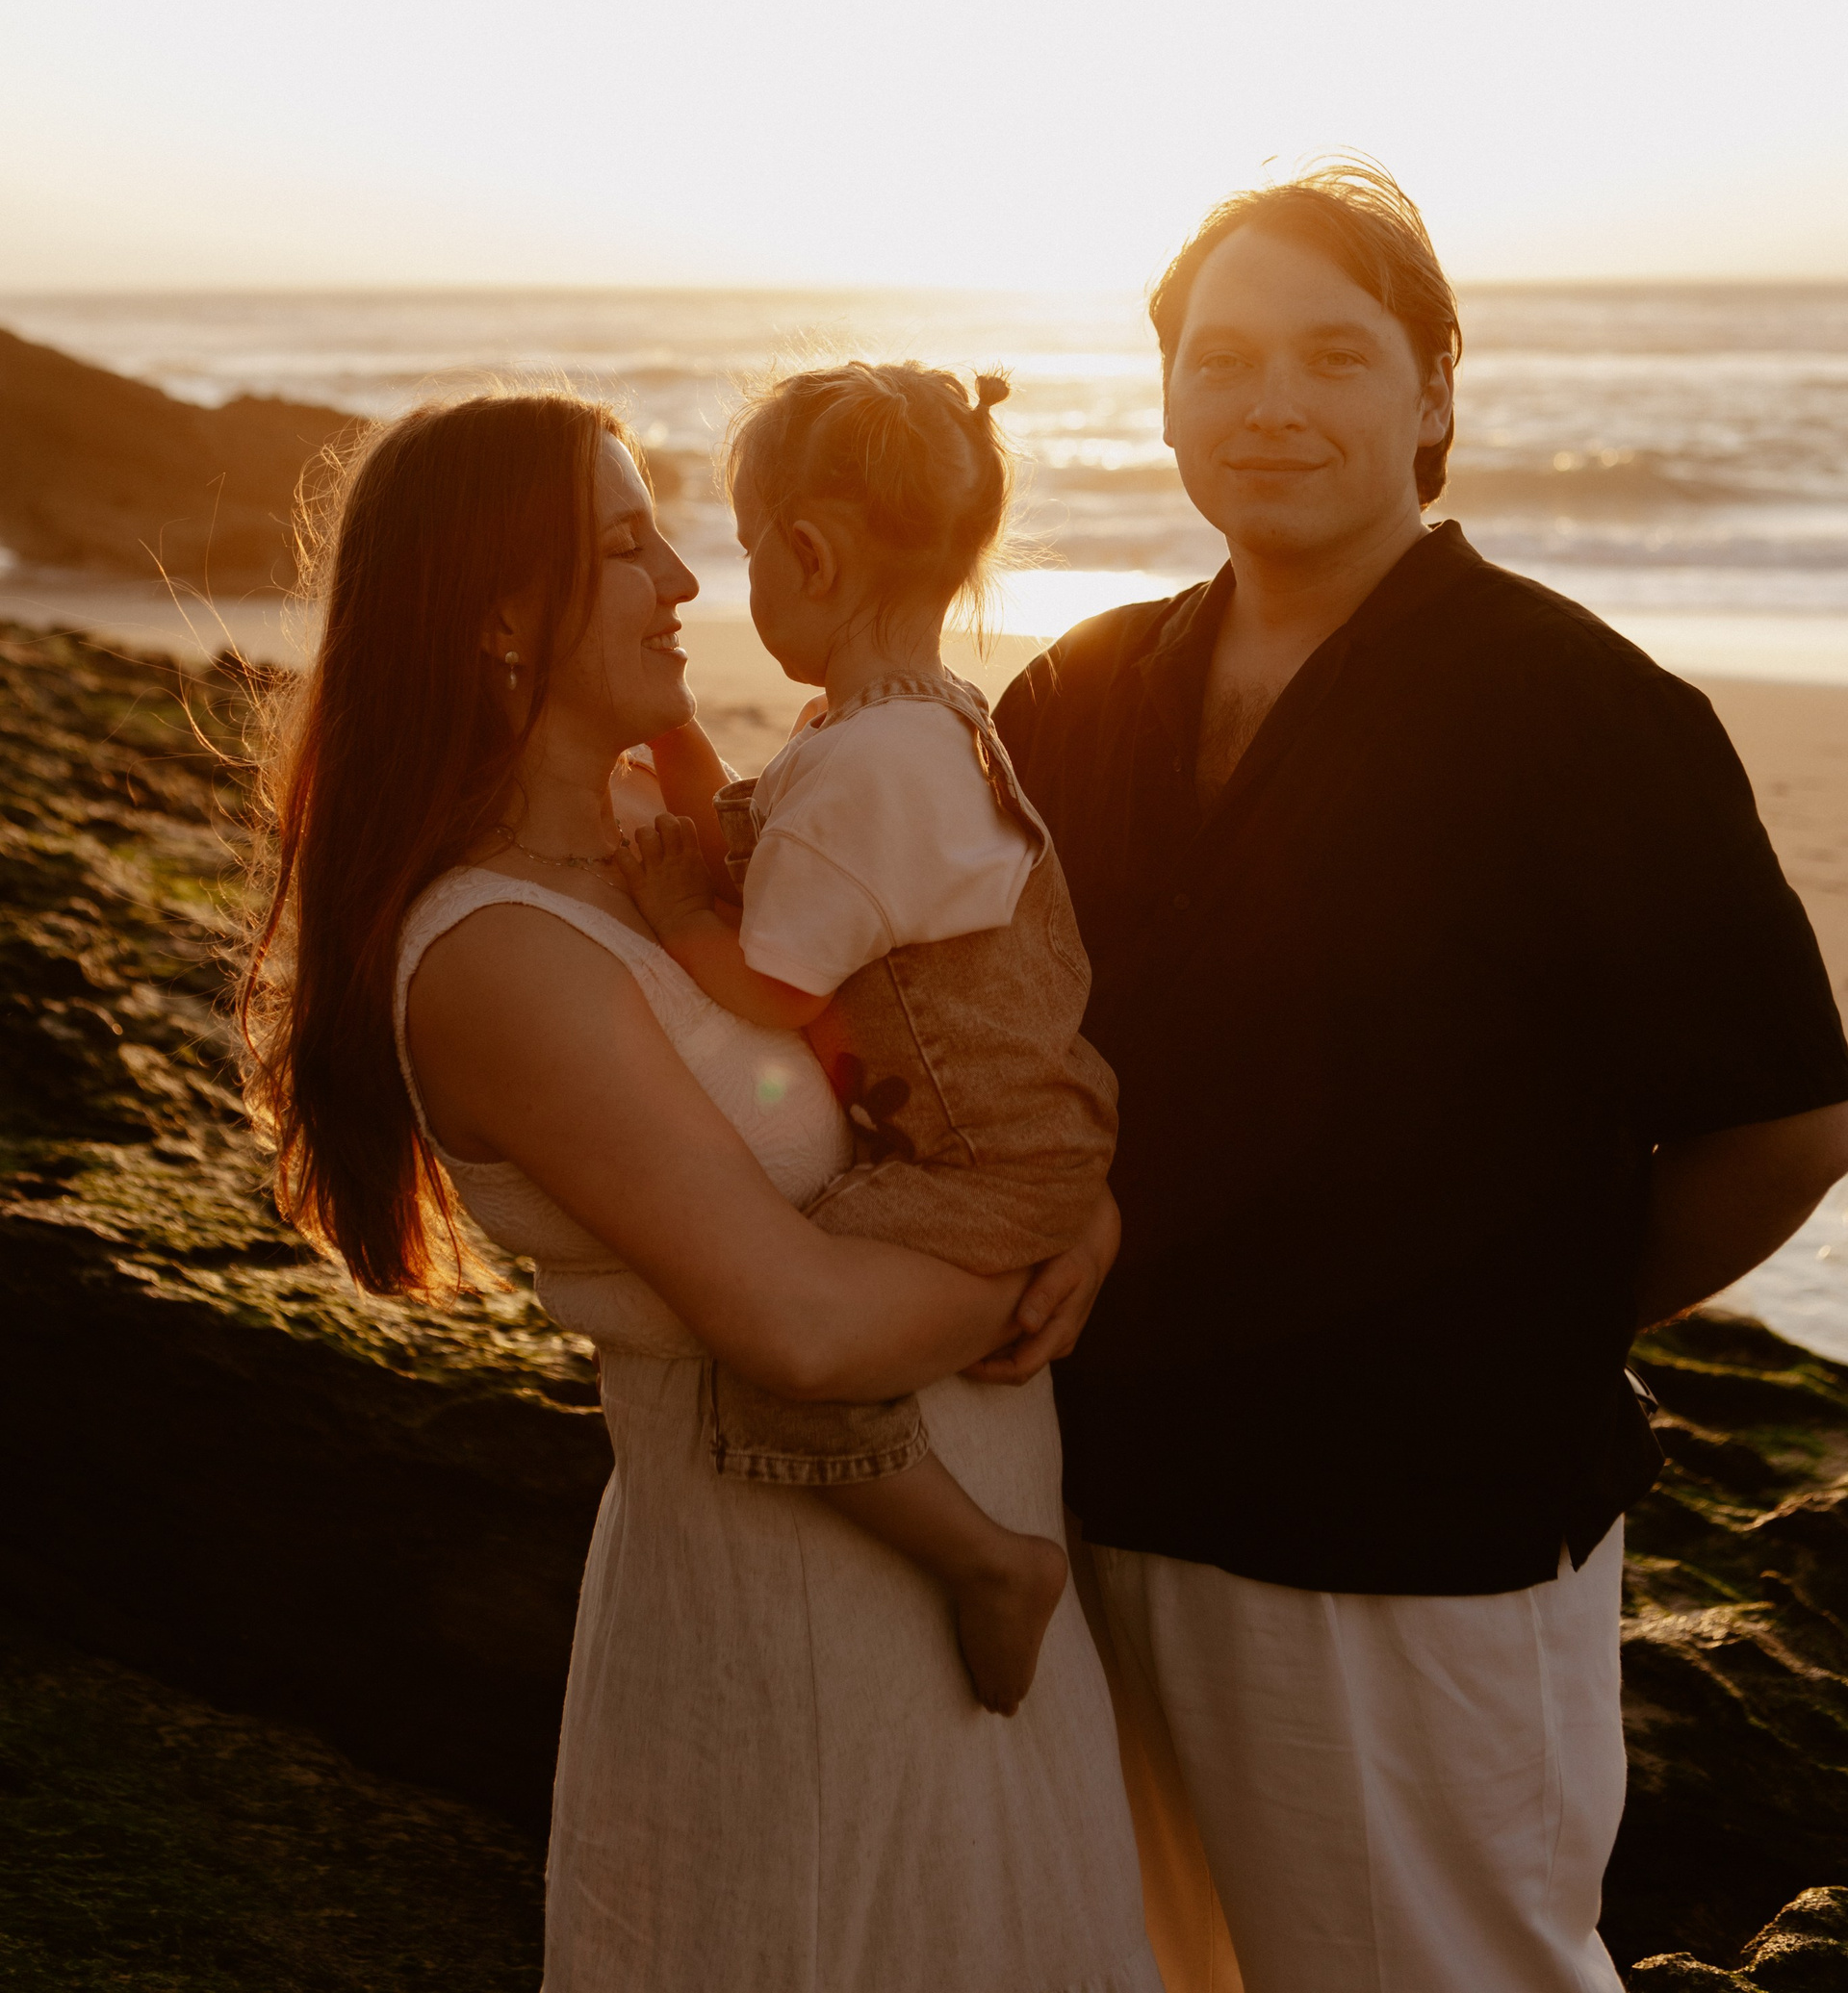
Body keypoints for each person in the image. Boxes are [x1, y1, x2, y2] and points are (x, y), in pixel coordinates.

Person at [994, 163, 1848, 1993]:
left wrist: (1524, 1313)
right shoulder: (1074, 690)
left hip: (1415, 1529)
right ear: (1165, 397)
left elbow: (1785, 1117)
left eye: (1335, 355)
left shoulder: (1579, 710)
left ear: (1433, 392)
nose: (1272, 403)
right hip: (1101, 1487)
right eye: (1224, 359)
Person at [240, 389, 1158, 1993]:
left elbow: (916, 1032)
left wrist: (1076, 1201)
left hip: (981, 1586)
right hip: (797, 1634)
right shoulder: (497, 957)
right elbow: (798, 1331)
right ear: (499, 620)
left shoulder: (654, 830)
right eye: (625, 543)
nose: (681, 580)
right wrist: (1031, 1253)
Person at [621, 359, 1116, 1714]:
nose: (734, 585)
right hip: (1040, 1130)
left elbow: (774, 988)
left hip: (978, 1165)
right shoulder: (920, 727)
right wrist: (672, 738)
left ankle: (989, 1561)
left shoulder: (863, 769)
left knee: (778, 1349)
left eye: (744, 554)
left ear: (811, 554)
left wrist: (677, 915)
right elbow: (773, 843)